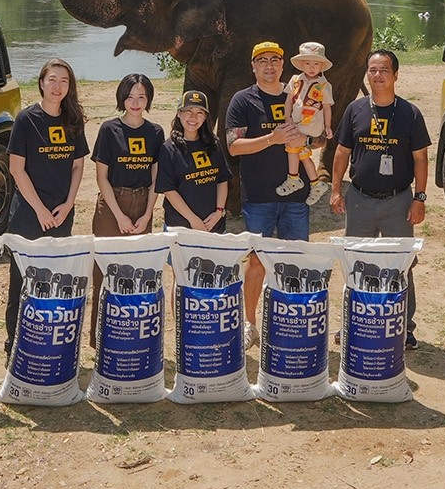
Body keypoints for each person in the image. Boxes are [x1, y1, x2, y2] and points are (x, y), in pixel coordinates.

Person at [330, 48, 431, 348]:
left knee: (402, 265)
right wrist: (335, 189)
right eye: (372, 70)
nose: (377, 75)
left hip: (398, 201)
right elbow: (342, 152)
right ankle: (353, 323)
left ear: (396, 75)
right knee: (356, 263)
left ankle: (404, 328)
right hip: (359, 199)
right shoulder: (355, 110)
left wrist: (419, 198)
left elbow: (421, 158)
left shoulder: (410, 113)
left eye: (384, 70)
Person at [225, 40, 310, 342]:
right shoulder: (242, 100)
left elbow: (320, 138)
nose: (269, 66)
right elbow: (233, 146)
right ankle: (250, 323)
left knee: (296, 260)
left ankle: (291, 323)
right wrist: (272, 139)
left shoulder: (298, 95)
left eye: (275, 59)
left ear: (283, 64)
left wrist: (307, 139)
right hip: (259, 197)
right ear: (253, 66)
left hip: (296, 197)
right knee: (257, 261)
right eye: (262, 60)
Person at [5, 57, 88, 348]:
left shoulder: (73, 120)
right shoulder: (26, 119)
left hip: (61, 212)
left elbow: (78, 165)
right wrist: (39, 210)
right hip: (29, 213)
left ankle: (47, 337)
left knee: (54, 277)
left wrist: (69, 204)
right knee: (21, 278)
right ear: (41, 83)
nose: (57, 86)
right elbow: (17, 169)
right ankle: (15, 343)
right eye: (52, 79)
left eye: (64, 81)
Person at [92, 73, 162, 237]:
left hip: (143, 206)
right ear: (122, 98)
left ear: (148, 99)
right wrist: (119, 217)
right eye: (130, 97)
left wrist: (147, 215)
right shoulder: (109, 130)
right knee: (107, 252)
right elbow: (101, 178)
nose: (135, 103)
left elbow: (156, 179)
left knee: (140, 253)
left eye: (141, 97)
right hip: (113, 204)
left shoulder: (156, 132)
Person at [157, 89, 228, 232]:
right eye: (188, 111)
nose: (193, 117)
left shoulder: (213, 144)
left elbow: (222, 180)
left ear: (205, 117)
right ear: (179, 113)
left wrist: (218, 212)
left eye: (199, 112)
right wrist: (193, 220)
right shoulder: (169, 148)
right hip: (181, 227)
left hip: (214, 225)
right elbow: (169, 190)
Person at [279, 41, 336, 201]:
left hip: (311, 125)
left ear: (322, 65)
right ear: (301, 64)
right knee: (301, 153)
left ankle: (293, 178)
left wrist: (327, 126)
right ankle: (315, 183)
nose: (312, 67)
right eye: (307, 63)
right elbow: (288, 100)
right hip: (296, 122)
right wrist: (287, 118)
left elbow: (327, 107)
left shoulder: (324, 85)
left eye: (316, 63)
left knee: (292, 145)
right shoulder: (295, 80)